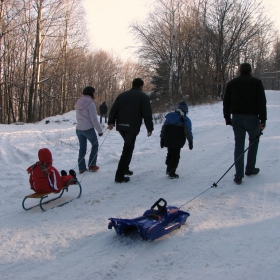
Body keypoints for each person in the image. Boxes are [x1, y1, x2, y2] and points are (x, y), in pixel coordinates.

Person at [223, 62, 267, 185]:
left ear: (240, 71)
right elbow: (262, 102)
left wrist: (227, 118)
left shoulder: (232, 83)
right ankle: (250, 169)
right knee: (254, 142)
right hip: (252, 118)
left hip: (236, 118)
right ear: (250, 71)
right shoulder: (256, 83)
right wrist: (263, 121)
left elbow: (226, 102)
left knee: (239, 145)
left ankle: (238, 175)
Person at [108, 78, 154, 183]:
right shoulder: (143, 96)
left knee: (129, 146)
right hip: (132, 127)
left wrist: (111, 122)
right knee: (127, 149)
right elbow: (147, 114)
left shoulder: (122, 95)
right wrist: (149, 128)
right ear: (141, 86)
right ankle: (119, 176)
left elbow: (114, 109)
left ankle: (125, 168)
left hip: (121, 126)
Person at [160, 101, 193, 179]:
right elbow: (187, 131)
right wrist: (190, 141)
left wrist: (162, 139)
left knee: (170, 152)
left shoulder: (170, 116)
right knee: (176, 156)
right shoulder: (185, 119)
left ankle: (168, 164)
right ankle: (172, 171)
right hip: (178, 140)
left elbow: (163, 129)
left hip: (168, 139)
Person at [76, 86, 103, 174]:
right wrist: (100, 131)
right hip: (88, 129)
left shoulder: (78, 101)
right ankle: (92, 165)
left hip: (79, 128)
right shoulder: (90, 103)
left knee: (82, 148)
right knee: (95, 145)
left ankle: (81, 168)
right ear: (91, 93)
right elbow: (94, 119)